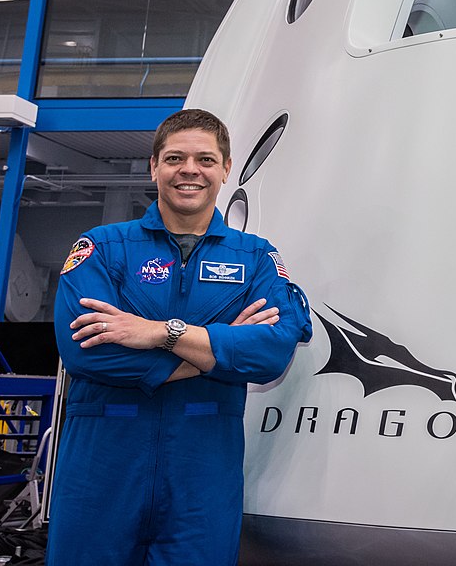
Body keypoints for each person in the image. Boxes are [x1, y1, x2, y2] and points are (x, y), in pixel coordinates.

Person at [48, 108, 312, 566]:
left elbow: (270, 355)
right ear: (154, 166)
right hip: (101, 468)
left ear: (226, 169)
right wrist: (222, 349)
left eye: (206, 160)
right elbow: (86, 354)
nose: (190, 170)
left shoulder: (256, 259)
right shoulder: (103, 248)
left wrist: (158, 333)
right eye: (175, 158)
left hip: (203, 473)